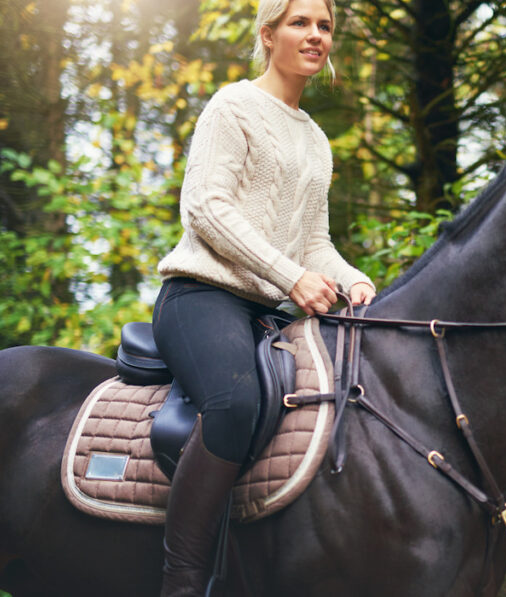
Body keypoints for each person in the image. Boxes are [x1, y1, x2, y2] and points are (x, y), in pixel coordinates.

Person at [151, 0, 375, 593]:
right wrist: (289, 276)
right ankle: (182, 580)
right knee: (235, 403)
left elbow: (315, 243)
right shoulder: (233, 106)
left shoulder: (316, 140)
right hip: (200, 296)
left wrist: (352, 278)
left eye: (325, 26)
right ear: (268, 34)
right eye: (300, 23)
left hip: (266, 312)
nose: (315, 35)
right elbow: (206, 206)